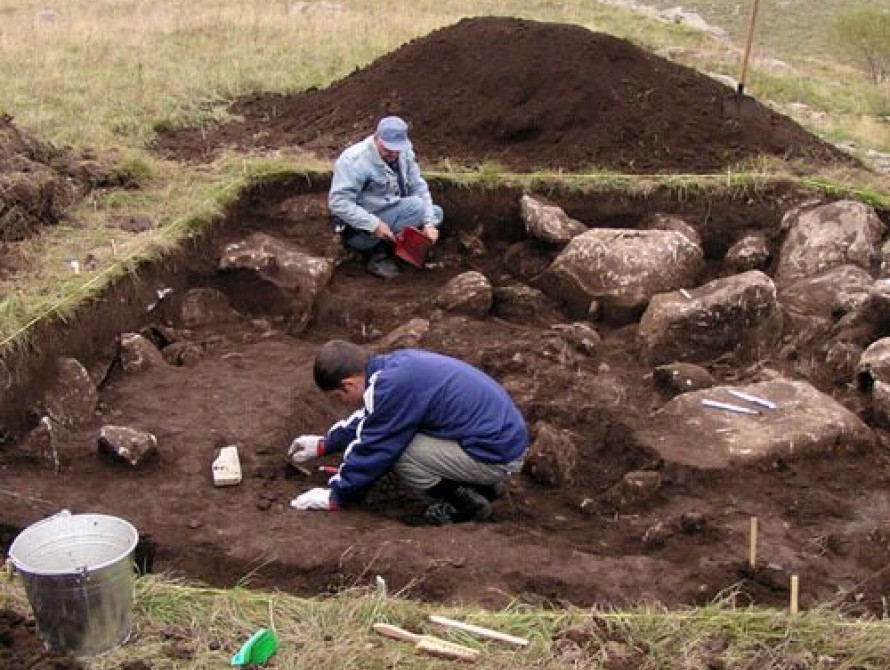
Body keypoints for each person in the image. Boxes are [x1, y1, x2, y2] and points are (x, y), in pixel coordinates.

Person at [288, 340, 528, 525]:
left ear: (349, 384)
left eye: (339, 396)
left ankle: (465, 505)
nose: (344, 403)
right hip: (498, 441)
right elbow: (373, 418)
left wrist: (337, 495)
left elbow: (375, 446)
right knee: (398, 437)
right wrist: (326, 444)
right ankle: (483, 486)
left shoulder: (392, 386)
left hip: (496, 455)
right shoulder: (394, 368)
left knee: (400, 451)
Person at [328, 116, 444, 279]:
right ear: (376, 137)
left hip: (392, 209)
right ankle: (377, 253)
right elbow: (338, 203)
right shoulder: (354, 161)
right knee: (418, 207)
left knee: (435, 214)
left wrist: (429, 224)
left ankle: (402, 247)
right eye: (388, 149)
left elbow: (418, 186)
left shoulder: (404, 152)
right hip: (359, 229)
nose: (393, 154)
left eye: (397, 150)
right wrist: (373, 225)